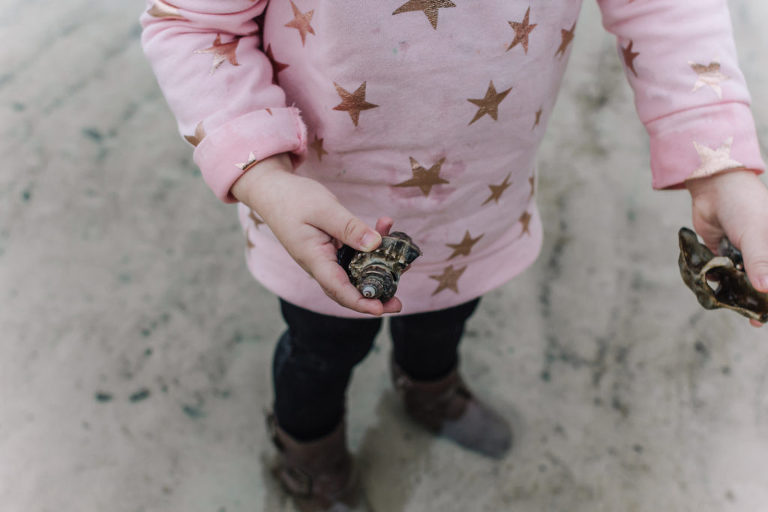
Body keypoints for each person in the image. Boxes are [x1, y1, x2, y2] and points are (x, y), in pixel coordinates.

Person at [140, 0, 767, 509]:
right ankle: (308, 452)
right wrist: (262, 174)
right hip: (320, 209)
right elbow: (193, 23)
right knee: (322, 349)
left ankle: (428, 384)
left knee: (446, 313)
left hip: (479, 196)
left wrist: (719, 165)